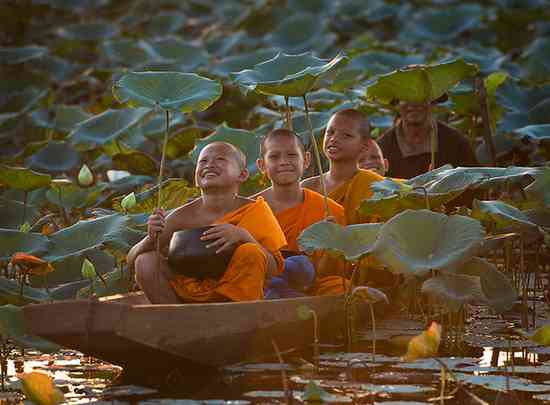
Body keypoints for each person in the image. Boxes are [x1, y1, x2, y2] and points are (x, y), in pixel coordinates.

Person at [127, 142, 286, 304]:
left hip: (238, 300)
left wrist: (243, 236)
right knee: (145, 261)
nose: (209, 165)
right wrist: (151, 238)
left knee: (251, 251)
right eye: (203, 161)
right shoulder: (182, 216)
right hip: (186, 296)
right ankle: (176, 321)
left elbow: (273, 270)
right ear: (195, 177)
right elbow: (131, 259)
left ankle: (237, 322)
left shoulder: (255, 210)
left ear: (243, 175)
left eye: (220, 159)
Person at [255, 129, 349, 297]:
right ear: (262, 165)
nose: (284, 162)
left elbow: (326, 272)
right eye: (274, 157)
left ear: (306, 160)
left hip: (310, 286)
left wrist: (330, 243)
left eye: (291, 155)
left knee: (342, 288)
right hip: (263, 284)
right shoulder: (251, 208)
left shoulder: (329, 209)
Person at [301, 108, 385, 225]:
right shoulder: (306, 187)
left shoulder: (376, 187)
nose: (334, 139)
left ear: (365, 146)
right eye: (330, 132)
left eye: (346, 135)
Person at [377, 100, 478, 179]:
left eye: (421, 97)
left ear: (433, 103)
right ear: (397, 104)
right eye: (406, 97)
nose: (413, 104)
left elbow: (474, 187)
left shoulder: (455, 142)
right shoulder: (382, 148)